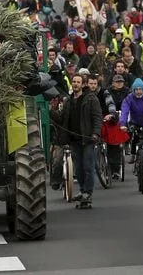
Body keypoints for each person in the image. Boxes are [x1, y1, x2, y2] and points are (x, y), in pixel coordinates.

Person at [50, 74, 102, 204]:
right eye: (74, 82)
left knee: (88, 167)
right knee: (78, 169)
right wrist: (50, 110)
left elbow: (97, 118)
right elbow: (61, 119)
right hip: (75, 140)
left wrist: (95, 133)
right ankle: (83, 190)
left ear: (83, 84)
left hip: (88, 139)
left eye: (78, 82)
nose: (75, 84)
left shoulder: (91, 99)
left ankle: (87, 193)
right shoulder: (68, 100)